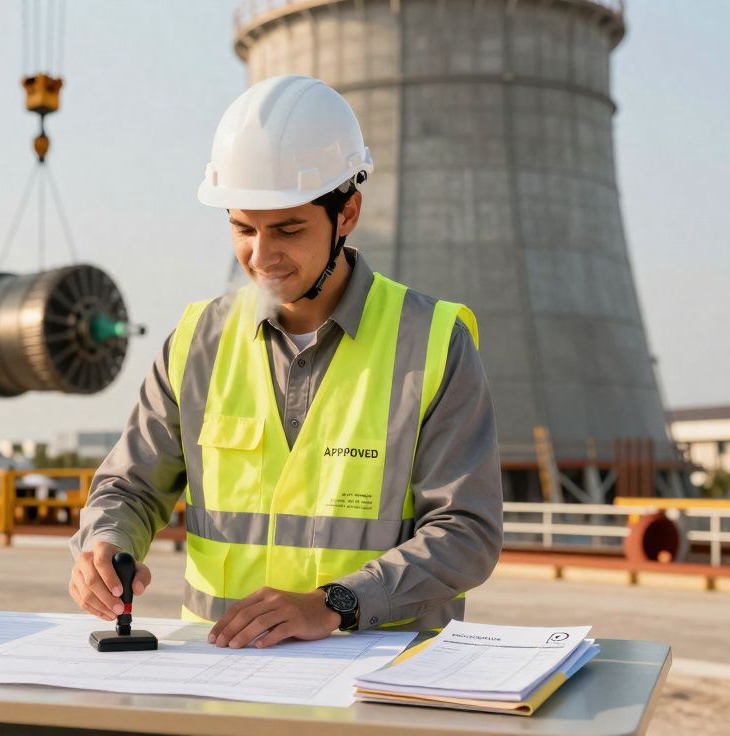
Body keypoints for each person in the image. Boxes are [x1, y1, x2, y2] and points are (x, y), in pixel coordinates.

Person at [68, 75, 502, 648]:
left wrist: (336, 603)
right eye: (242, 228)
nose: (261, 255)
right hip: (220, 671)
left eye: (288, 229)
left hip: (379, 673)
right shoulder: (196, 344)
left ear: (348, 213)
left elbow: (466, 532)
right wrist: (105, 542)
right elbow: (130, 487)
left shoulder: (433, 342)